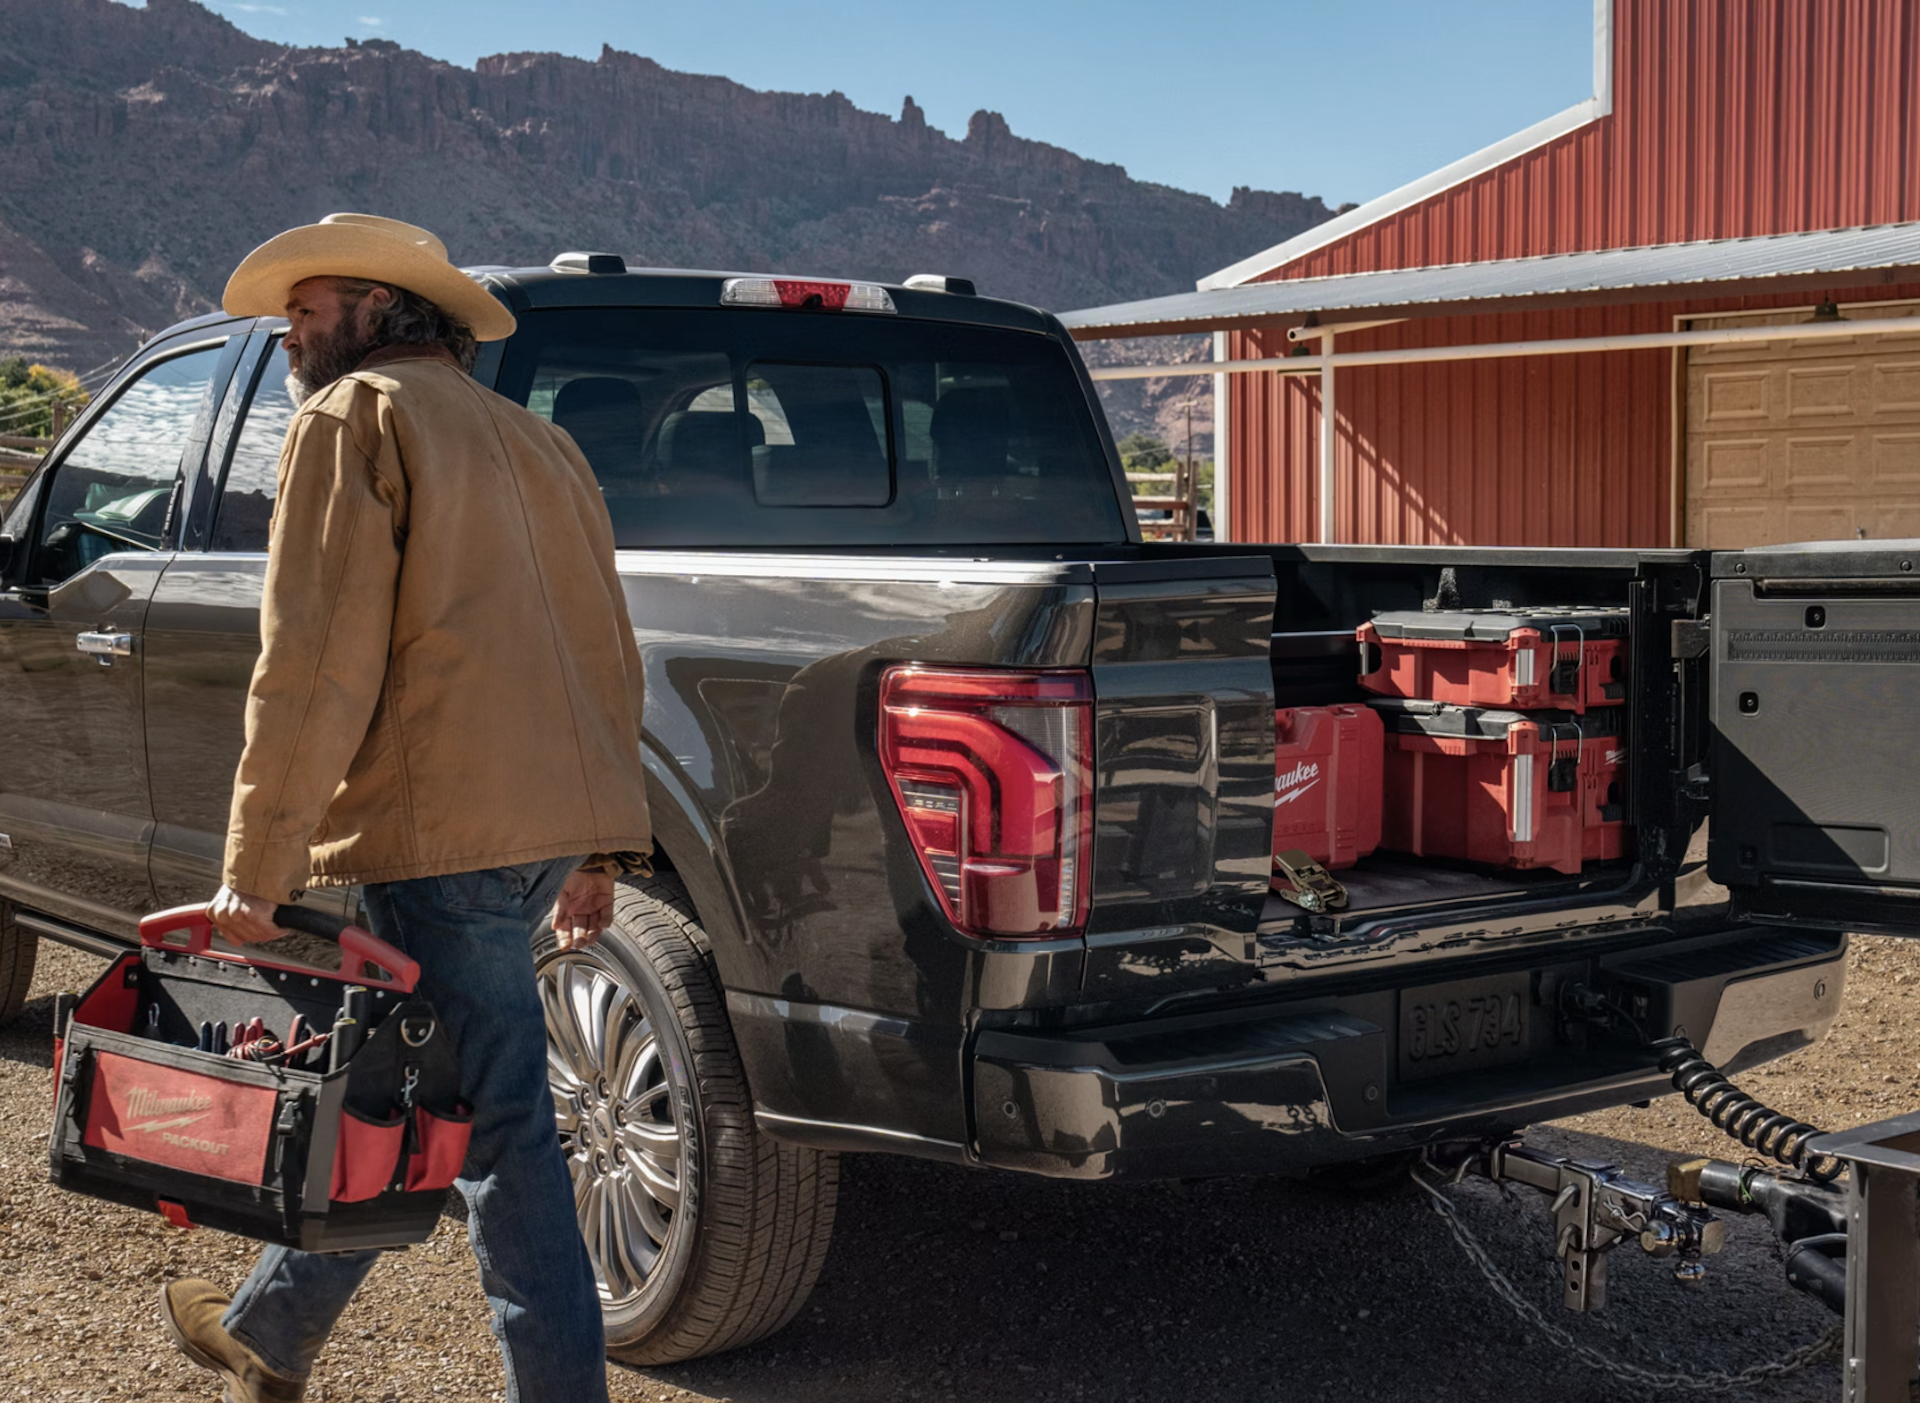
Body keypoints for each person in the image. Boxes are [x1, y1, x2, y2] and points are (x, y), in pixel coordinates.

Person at [158, 213, 652, 1403]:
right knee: (413, 1088)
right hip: (533, 831)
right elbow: (603, 646)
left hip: (443, 836)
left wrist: (257, 864)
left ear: (379, 308)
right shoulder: (540, 440)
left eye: (307, 308)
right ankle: (269, 1331)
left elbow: (313, 660)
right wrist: (596, 844)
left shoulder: (353, 414)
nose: (288, 332)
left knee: (501, 1130)